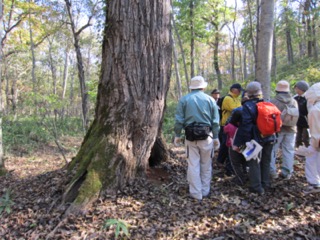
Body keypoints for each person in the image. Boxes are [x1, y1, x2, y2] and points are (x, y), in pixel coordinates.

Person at [174, 76, 220, 201]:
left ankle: (196, 193)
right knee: (206, 164)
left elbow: (179, 120)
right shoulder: (210, 100)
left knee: (193, 164)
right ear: (203, 86)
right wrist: (216, 137)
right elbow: (215, 122)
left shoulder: (184, 100)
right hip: (207, 136)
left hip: (190, 137)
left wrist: (177, 135)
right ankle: (205, 191)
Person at [233, 81, 276, 195]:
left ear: (248, 93)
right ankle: (265, 183)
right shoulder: (267, 103)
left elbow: (245, 125)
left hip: (254, 139)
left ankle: (256, 187)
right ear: (259, 92)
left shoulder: (248, 106)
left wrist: (241, 143)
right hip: (270, 137)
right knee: (266, 161)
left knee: (253, 162)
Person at [270, 80, 298, 180]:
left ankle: (272, 172)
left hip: (277, 130)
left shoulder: (273, 101)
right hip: (291, 129)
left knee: (273, 150)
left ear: (277, 90)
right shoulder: (294, 101)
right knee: (289, 151)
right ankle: (287, 172)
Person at [217, 83, 243, 176]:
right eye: (239, 90)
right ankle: (223, 163)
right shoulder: (228, 99)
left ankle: (221, 161)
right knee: (226, 144)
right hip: (226, 125)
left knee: (226, 144)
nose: (240, 92)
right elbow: (235, 110)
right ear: (234, 90)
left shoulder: (236, 98)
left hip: (234, 126)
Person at [224, 107, 248, 186]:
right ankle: (245, 175)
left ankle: (240, 179)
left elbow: (224, 130)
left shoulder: (230, 126)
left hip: (232, 147)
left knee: (235, 163)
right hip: (243, 146)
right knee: (244, 161)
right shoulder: (244, 126)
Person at [303, 82, 320, 192]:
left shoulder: (315, 109)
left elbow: (315, 130)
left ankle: (314, 182)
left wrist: (314, 143)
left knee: (312, 159)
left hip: (317, 141)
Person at [294, 81, 310, 148]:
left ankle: (307, 151)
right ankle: (299, 151)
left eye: (297, 88)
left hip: (306, 121)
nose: (295, 90)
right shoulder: (295, 98)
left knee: (306, 138)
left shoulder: (308, 98)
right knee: (298, 137)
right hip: (298, 120)